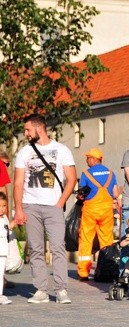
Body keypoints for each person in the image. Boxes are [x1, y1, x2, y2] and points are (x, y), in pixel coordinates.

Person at [14, 114, 76, 304]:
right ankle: (40, 289)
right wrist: (19, 209)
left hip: (53, 206)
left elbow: (71, 178)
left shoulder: (61, 150)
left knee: (58, 247)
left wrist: (60, 202)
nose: (25, 133)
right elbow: (18, 182)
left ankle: (61, 290)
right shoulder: (24, 152)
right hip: (30, 205)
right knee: (36, 249)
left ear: (38, 129)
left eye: (27, 130)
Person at [76, 148, 120, 280]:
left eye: (88, 157)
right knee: (106, 241)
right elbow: (116, 193)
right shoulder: (111, 174)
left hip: (90, 212)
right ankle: (106, 270)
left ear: (94, 159)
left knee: (86, 240)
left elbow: (81, 195)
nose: (86, 160)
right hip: (106, 212)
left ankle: (83, 273)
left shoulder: (86, 174)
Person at [0, 192, 13, 304]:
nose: (2, 209)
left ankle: (0, 295)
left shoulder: (5, 218)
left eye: (4, 206)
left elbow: (8, 230)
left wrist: (16, 222)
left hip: (3, 251)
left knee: (1, 274)